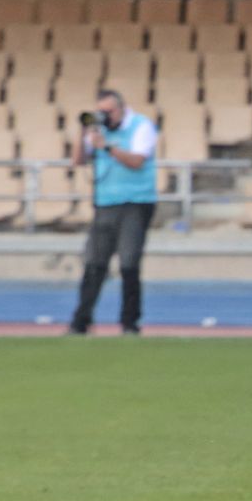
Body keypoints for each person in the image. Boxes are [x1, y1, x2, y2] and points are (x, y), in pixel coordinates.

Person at [67, 89, 158, 335]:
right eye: (100, 112)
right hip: (105, 202)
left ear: (120, 109)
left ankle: (129, 322)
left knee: (129, 263)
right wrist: (83, 132)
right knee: (94, 263)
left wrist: (106, 147)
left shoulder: (141, 126)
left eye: (108, 112)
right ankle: (81, 321)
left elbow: (137, 161)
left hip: (135, 202)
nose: (104, 117)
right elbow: (77, 161)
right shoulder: (99, 131)